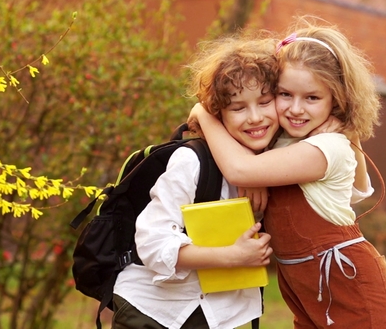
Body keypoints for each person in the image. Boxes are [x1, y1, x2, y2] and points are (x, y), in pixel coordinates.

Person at [189, 19, 386, 328]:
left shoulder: (324, 147)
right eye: (284, 94)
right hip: (306, 292)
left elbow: (240, 170)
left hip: (351, 290)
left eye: (312, 98)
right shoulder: (284, 140)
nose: (295, 109)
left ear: (337, 100)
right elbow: (356, 190)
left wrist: (203, 113)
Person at [111, 33, 278, 329]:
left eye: (265, 102)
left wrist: (256, 170)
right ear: (218, 114)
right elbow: (152, 242)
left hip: (222, 316)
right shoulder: (193, 162)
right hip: (155, 311)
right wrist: (232, 257)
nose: (255, 117)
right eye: (238, 108)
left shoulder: (280, 161)